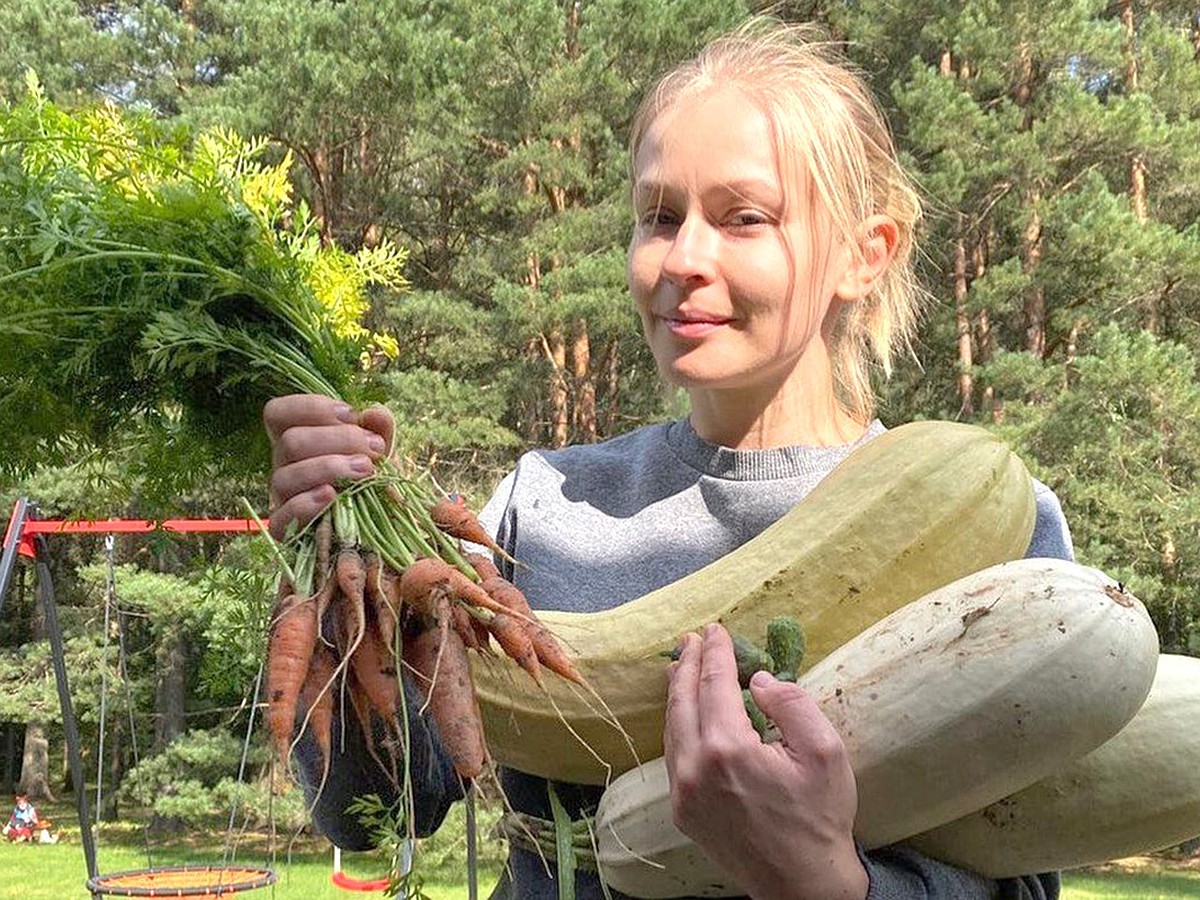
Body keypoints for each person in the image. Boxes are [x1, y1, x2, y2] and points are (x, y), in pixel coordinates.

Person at [264, 17, 1073, 900]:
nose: (684, 258)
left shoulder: (993, 519)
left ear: (863, 253)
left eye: (744, 218)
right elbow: (376, 813)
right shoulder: (541, 505)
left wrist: (829, 882)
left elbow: (1023, 867)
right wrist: (338, 583)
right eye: (659, 216)